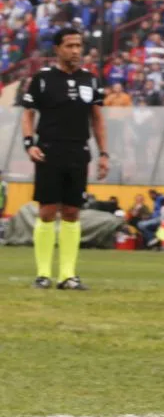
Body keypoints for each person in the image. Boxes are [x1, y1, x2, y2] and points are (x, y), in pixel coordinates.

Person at [21, 27, 110, 290]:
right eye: (70, 46)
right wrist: (29, 144)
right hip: (49, 150)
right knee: (47, 211)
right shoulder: (42, 79)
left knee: (72, 211)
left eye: (78, 46)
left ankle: (68, 276)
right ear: (57, 49)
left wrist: (103, 153)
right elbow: (28, 114)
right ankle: (43, 274)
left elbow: (97, 118)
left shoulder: (90, 80)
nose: (75, 51)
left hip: (78, 151)